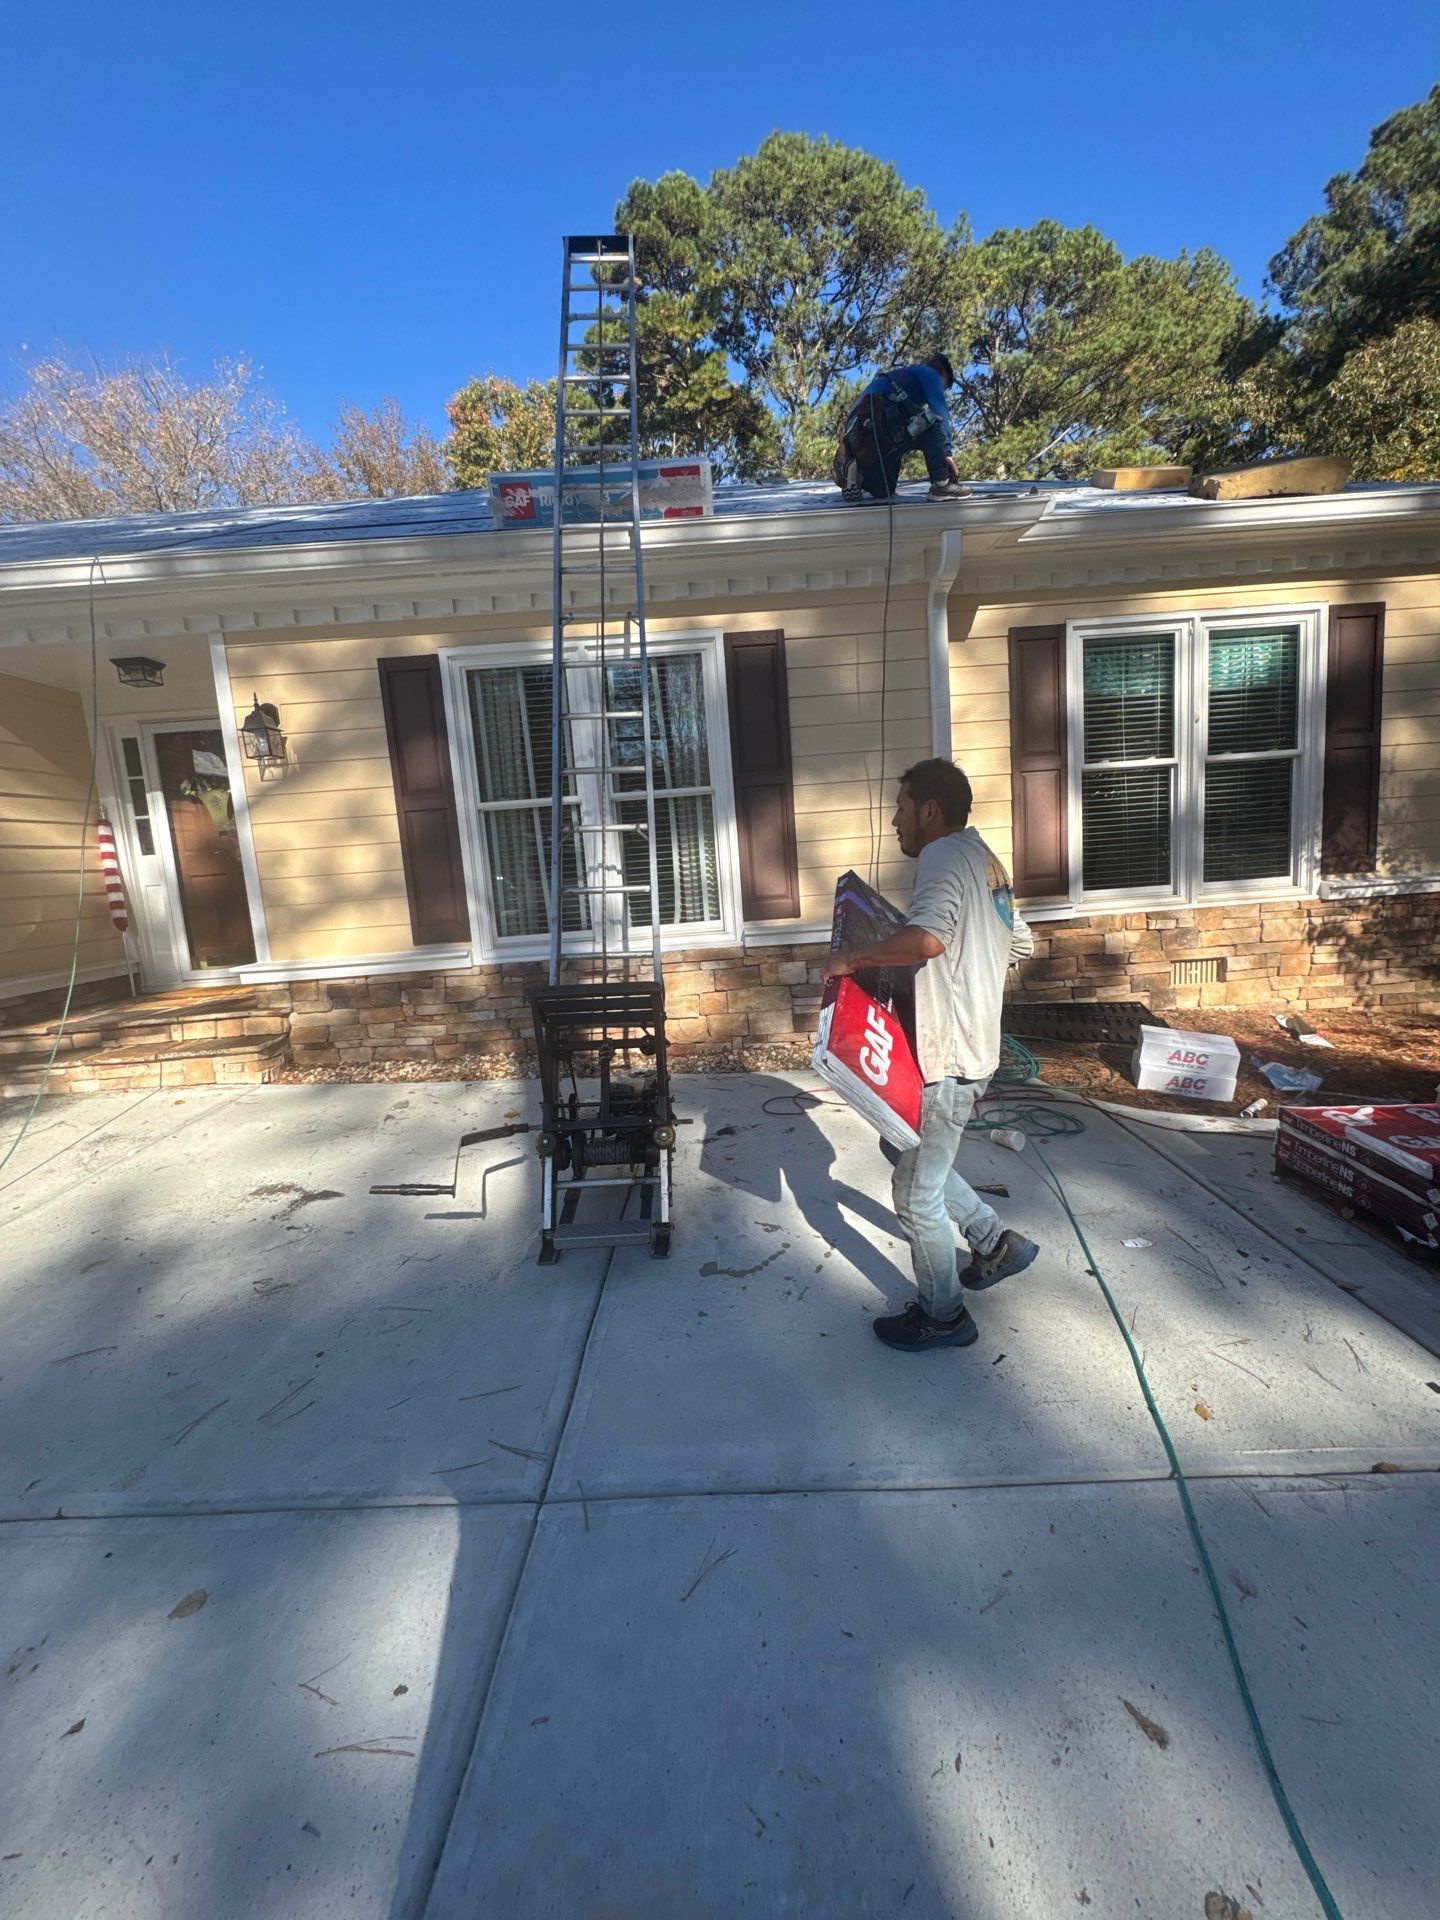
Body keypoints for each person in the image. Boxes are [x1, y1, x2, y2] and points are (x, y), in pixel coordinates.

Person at [820, 759, 1038, 1351]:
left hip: (950, 1059)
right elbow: (1020, 941)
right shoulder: (983, 857)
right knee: (902, 1143)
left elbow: (929, 939)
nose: (894, 821)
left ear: (930, 810)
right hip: (972, 1049)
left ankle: (944, 1315)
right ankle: (993, 1242)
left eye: (901, 807)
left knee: (915, 1192)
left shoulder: (942, 856)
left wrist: (852, 960)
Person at [833, 354, 971, 505]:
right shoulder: (930, 373)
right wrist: (947, 454)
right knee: (932, 423)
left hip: (859, 436)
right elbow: (939, 411)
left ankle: (858, 474)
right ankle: (942, 485)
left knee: (885, 489)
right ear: (941, 375)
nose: (940, 391)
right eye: (942, 388)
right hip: (880, 414)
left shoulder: (898, 380)